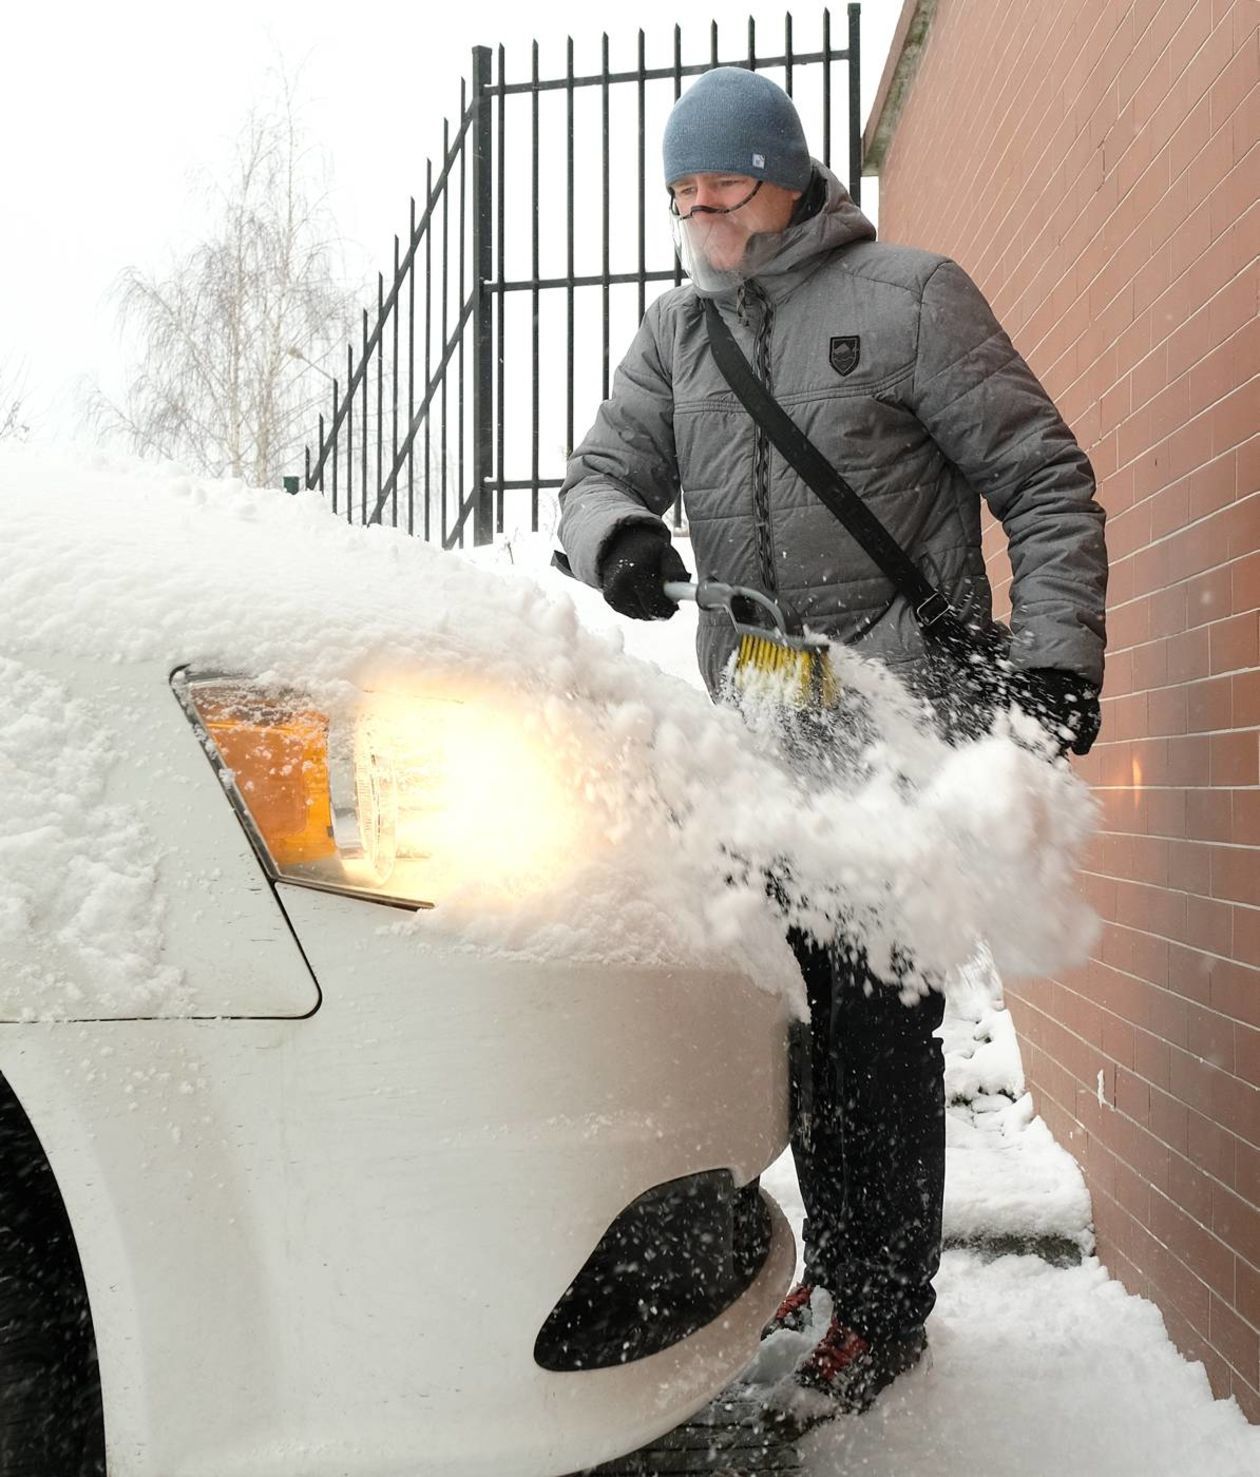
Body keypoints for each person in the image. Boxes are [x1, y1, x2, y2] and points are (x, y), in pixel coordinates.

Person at [558, 66, 1107, 1414]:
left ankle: (884, 1301)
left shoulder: (912, 299)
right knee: (794, 1024)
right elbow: (601, 472)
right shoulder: (680, 334)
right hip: (760, 739)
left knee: (878, 1026)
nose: (702, 216)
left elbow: (1044, 479)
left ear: (789, 174)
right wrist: (616, 539)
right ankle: (838, 1260)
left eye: (723, 189)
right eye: (683, 196)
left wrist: (1053, 665)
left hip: (898, 729)